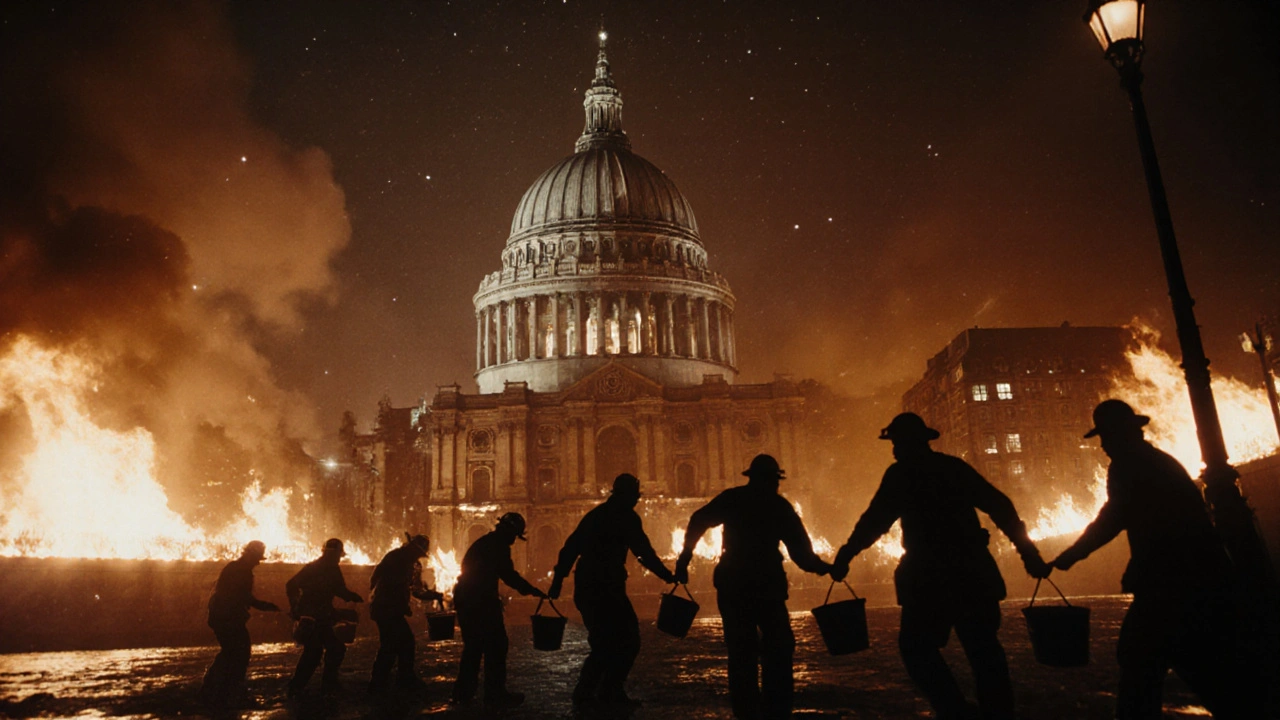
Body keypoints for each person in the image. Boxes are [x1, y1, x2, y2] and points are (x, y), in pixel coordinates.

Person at [829, 412, 1048, 720]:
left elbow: (874, 522)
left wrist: (846, 555)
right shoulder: (953, 468)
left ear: (904, 443)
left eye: (895, 442)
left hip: (928, 578)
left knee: (916, 649)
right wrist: (1029, 553)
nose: (893, 449)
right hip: (972, 573)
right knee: (985, 652)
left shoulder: (901, 475)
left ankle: (955, 711)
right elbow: (1000, 505)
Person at [1050, 399, 1254, 719]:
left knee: (1142, 659)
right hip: (1196, 574)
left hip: (1169, 580)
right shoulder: (1159, 460)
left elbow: (1113, 517)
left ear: (1121, 434)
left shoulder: (1128, 465)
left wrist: (1070, 556)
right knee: (1189, 663)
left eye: (1105, 436)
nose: (1103, 445)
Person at [674, 453, 832, 720]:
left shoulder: (733, 499)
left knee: (741, 652)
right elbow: (802, 556)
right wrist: (828, 568)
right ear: (773, 480)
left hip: (733, 584)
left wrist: (685, 558)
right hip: (767, 585)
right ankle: (776, 709)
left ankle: (746, 711)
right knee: (779, 648)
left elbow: (698, 520)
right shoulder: (778, 506)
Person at [549, 473, 676, 706]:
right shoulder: (626, 518)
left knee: (605, 641)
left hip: (588, 586)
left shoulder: (595, 516)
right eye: (635, 496)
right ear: (626, 496)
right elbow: (643, 552)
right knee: (626, 640)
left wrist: (558, 579)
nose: (637, 501)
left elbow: (570, 548)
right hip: (605, 588)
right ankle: (603, 691)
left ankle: (594, 691)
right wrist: (667, 574)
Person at [450, 512, 547, 708]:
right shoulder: (497, 545)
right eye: (515, 535)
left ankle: (464, 694)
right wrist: (532, 590)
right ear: (509, 531)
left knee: (474, 647)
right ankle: (495, 695)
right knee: (496, 645)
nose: (514, 540)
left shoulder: (487, 542)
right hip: (478, 600)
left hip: (468, 598)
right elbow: (508, 574)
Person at [199, 540, 280, 706]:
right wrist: (264, 606)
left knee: (230, 652)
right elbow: (242, 596)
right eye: (258, 557)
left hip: (222, 617)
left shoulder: (236, 568)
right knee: (240, 653)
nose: (258, 562)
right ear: (250, 555)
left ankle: (212, 688)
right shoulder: (241, 571)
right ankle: (230, 691)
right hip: (227, 618)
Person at [368, 533, 445, 696]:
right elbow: (377, 577)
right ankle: (386, 682)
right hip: (385, 608)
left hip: (389, 608)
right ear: (411, 548)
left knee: (399, 644)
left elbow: (415, 590)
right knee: (398, 643)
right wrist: (383, 595)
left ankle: (390, 680)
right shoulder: (395, 558)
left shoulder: (412, 564)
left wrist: (433, 595)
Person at [285, 537, 364, 698]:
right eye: (337, 555)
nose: (337, 558)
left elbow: (337, 589)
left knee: (330, 649)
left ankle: (322, 684)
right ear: (334, 553)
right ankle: (301, 688)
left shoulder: (318, 567)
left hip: (320, 615)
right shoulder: (324, 568)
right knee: (316, 652)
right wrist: (352, 596)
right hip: (315, 617)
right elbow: (339, 589)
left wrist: (295, 607)